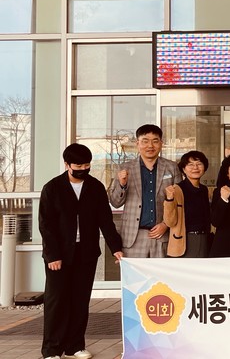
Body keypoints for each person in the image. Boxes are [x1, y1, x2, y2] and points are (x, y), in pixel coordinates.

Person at [39, 143, 123, 359]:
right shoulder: (52, 188)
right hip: (59, 255)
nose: (83, 169)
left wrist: (116, 248)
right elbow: (46, 225)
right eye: (78, 166)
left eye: (87, 165)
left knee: (80, 300)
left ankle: (74, 346)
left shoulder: (95, 187)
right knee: (57, 301)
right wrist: (53, 255)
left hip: (86, 253)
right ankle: (52, 349)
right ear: (67, 165)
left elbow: (105, 220)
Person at [109, 124, 181, 258]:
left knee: (161, 272)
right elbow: (115, 202)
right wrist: (122, 184)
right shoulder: (125, 168)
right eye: (145, 141)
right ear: (137, 144)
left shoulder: (172, 167)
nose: (150, 146)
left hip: (162, 235)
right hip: (133, 237)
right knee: (134, 272)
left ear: (161, 143)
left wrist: (166, 224)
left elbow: (179, 202)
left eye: (155, 141)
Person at [163, 150, 211, 258]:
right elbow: (170, 221)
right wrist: (169, 199)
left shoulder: (204, 189)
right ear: (184, 169)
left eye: (199, 164)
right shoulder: (177, 189)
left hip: (204, 238)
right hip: (185, 240)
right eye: (190, 165)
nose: (195, 167)